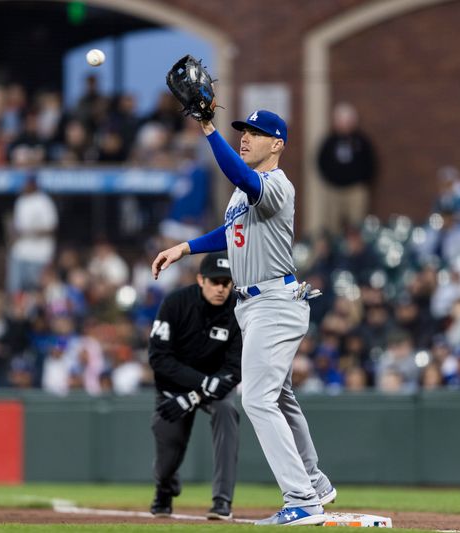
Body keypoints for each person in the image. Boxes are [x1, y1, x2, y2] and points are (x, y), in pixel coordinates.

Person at [151, 109, 336, 526]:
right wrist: (185, 247)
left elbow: (242, 177)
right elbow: (231, 232)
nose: (246, 137)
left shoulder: (276, 184)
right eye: (243, 131)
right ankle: (315, 482)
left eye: (256, 133)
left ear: (278, 144)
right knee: (280, 397)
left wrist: (209, 129)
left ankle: (302, 500)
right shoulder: (244, 197)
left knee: (256, 398)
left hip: (273, 300)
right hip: (253, 304)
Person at [148, 252, 241, 521]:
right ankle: (165, 488)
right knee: (166, 459)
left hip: (216, 390)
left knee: (227, 413)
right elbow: (158, 358)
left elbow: (236, 368)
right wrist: (198, 386)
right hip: (174, 388)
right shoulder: (176, 303)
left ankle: (222, 500)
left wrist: (198, 394)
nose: (221, 288)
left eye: (226, 282)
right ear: (201, 280)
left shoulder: (238, 309)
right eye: (215, 281)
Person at [317, 102, 377, 233]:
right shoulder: (330, 141)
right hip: (334, 190)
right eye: (340, 121)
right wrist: (330, 179)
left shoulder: (361, 141)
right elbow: (321, 161)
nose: (344, 125)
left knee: (356, 225)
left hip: (355, 190)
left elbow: (370, 163)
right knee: (332, 226)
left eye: (347, 121)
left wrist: (363, 181)